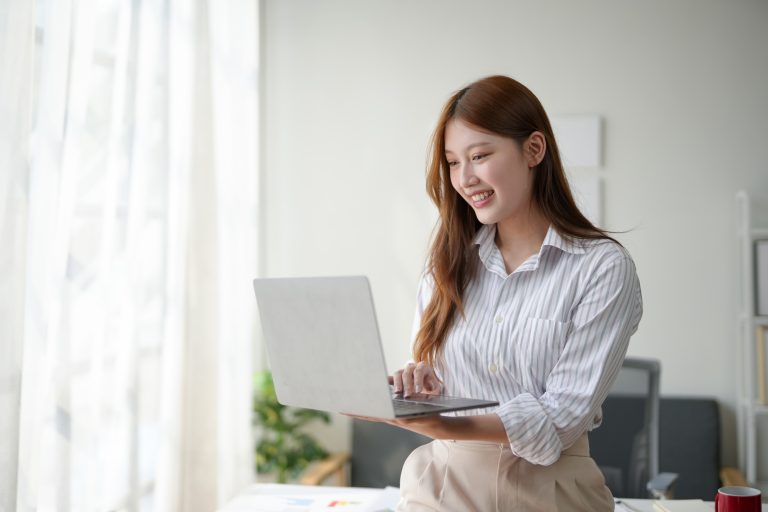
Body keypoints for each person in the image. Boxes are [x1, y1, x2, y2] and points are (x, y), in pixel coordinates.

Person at [357, 75, 642, 511]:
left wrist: (443, 425)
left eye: (480, 155)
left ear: (533, 150)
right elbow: (439, 380)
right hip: (441, 490)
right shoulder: (445, 266)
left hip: (551, 495)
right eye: (452, 162)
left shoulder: (601, 267)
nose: (464, 178)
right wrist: (418, 387)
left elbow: (559, 421)